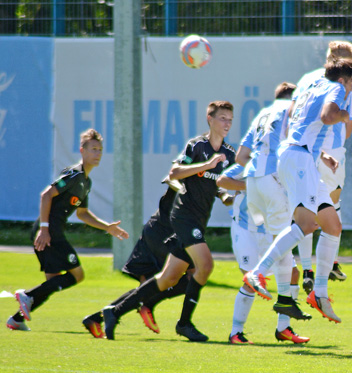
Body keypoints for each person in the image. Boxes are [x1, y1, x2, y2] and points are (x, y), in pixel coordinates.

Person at [101, 101, 236, 341]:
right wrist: (205, 165)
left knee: (168, 279)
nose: (227, 123)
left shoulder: (229, 154)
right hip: (183, 217)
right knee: (204, 266)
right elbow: (174, 173)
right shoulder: (196, 146)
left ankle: (114, 311)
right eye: (223, 118)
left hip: (198, 220)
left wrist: (228, 195)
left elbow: (219, 184)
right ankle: (184, 324)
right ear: (210, 119)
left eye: (230, 119)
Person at [243, 58, 352, 324]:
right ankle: (258, 272)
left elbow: (300, 121)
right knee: (306, 224)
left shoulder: (312, 83)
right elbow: (327, 116)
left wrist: (320, 155)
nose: (351, 89)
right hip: (299, 158)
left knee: (332, 225)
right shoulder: (337, 88)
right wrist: (343, 115)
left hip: (300, 156)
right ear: (345, 79)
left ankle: (319, 292)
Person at [6, 129, 129, 332]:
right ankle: (26, 296)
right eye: (93, 149)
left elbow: (82, 214)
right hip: (49, 231)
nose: (97, 154)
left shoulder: (86, 182)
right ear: (82, 150)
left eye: (100, 150)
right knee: (77, 274)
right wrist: (44, 229)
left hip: (51, 230)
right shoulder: (74, 175)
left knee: (53, 282)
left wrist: (107, 227)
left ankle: (17, 319)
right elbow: (46, 195)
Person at [82, 176, 232, 338]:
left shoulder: (208, 173)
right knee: (180, 277)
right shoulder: (191, 161)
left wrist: (226, 195)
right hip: (163, 230)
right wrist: (183, 188)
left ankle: (99, 317)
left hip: (178, 231)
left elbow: (215, 185)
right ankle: (170, 317)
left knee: (170, 280)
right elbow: (172, 177)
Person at [235, 82, 312, 326]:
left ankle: (283, 324)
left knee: (280, 245)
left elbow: (240, 156)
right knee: (286, 240)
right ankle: (261, 280)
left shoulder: (262, 113)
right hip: (271, 180)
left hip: (252, 182)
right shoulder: (291, 110)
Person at [217, 163, 310, 344]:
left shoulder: (287, 161)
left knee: (293, 273)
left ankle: (283, 328)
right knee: (251, 280)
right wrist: (252, 186)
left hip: (272, 229)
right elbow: (222, 180)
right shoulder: (252, 161)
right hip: (246, 229)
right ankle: (236, 333)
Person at [292, 41, 352, 291]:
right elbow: (347, 123)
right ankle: (327, 265)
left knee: (305, 209)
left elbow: (294, 112)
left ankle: (307, 268)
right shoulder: (343, 84)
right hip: (330, 149)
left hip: (302, 147)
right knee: (331, 206)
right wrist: (337, 138)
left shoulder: (308, 79)